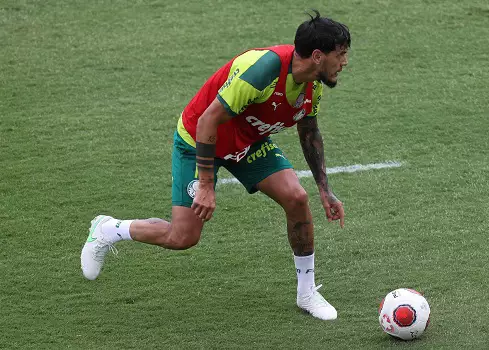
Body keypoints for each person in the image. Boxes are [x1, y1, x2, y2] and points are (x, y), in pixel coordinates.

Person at [81, 10, 350, 321]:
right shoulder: (261, 70)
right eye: (340, 55)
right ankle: (107, 229)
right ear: (317, 56)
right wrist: (207, 185)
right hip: (198, 140)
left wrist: (324, 189)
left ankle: (307, 293)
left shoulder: (311, 83)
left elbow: (309, 130)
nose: (343, 63)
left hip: (246, 142)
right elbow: (208, 120)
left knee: (296, 198)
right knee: (183, 237)